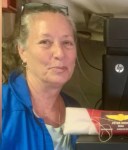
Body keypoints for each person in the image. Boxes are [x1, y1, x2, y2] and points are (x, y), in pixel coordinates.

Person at [1, 3, 80, 150]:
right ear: (22, 51)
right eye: (45, 42)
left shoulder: (76, 110)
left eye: (67, 43)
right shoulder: (4, 107)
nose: (59, 53)